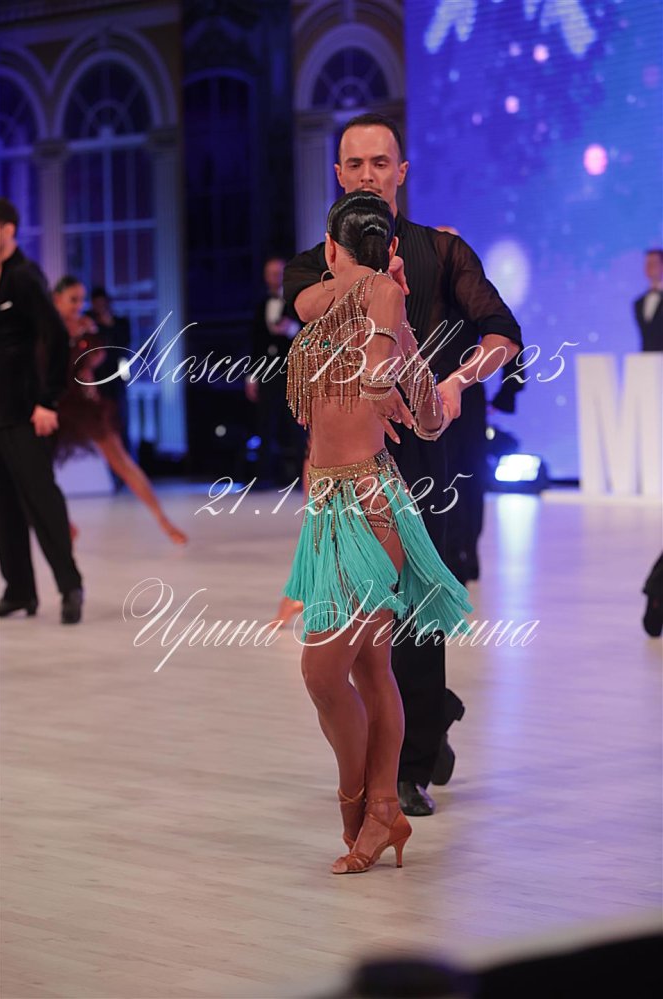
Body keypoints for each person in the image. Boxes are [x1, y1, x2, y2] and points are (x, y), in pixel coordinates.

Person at [284, 113, 522, 816]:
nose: (368, 175)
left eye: (380, 163)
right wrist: (364, 280)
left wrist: (457, 381)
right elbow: (310, 308)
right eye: (355, 164)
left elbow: (502, 333)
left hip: (428, 452)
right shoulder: (317, 262)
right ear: (338, 175)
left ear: (402, 172)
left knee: (414, 611)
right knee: (359, 629)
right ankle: (409, 740)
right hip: (349, 466)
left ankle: (410, 766)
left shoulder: (442, 251)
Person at [282, 190, 472, 873]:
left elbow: (429, 421)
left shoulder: (386, 306)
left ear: (333, 246)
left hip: (371, 502)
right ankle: (384, 810)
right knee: (369, 668)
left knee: (321, 670)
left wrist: (407, 373)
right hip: (327, 506)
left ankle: (358, 801)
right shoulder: (327, 306)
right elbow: (310, 302)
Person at [0, 198, 84, 624]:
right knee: (2, 505)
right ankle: (19, 590)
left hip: (24, 411)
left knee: (41, 499)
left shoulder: (25, 277)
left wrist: (47, 400)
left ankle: (70, 586)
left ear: (8, 229)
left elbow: (56, 337)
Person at [52, 276, 188, 546]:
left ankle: (162, 519)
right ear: (56, 299)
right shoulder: (46, 326)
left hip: (85, 403)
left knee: (120, 460)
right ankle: (63, 522)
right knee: (39, 468)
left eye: (81, 300)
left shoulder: (86, 326)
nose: (78, 305)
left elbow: (99, 358)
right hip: (54, 404)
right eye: (73, 300)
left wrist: (88, 343)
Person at [245, 257, 305, 487]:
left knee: (295, 425)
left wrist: (291, 329)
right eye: (270, 273)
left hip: (291, 372)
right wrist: (251, 376)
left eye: (278, 273)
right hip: (266, 373)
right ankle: (263, 477)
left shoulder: (296, 301)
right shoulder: (261, 304)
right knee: (265, 425)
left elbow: (308, 333)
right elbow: (255, 343)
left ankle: (301, 476)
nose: (274, 278)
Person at [87, 286, 132, 466]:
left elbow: (124, 347)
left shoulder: (120, 323)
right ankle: (103, 465)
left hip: (116, 377)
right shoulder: (89, 323)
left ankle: (124, 462)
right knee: (98, 420)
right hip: (96, 378)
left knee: (119, 420)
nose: (100, 306)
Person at [633, 248, 663, 352]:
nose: (650, 267)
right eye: (647, 264)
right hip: (646, 358)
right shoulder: (638, 303)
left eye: (654, 263)